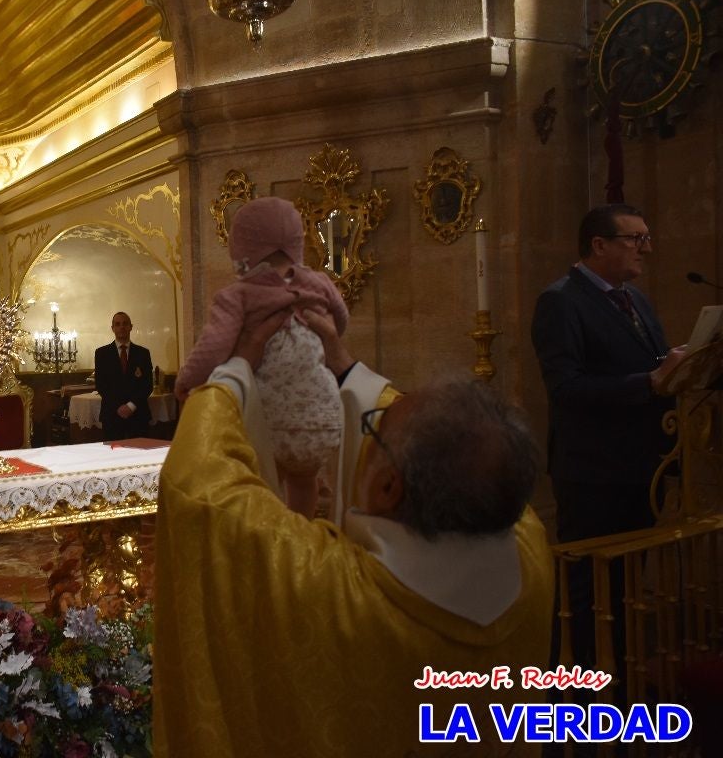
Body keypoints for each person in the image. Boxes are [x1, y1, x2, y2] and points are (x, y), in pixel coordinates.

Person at [154, 308, 554, 756]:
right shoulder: (528, 547)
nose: (373, 424)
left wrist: (232, 373)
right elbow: (461, 444)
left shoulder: (327, 587)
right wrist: (347, 370)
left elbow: (201, 486)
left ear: (388, 487)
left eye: (374, 429)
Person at [531, 203, 687, 671]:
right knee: (586, 595)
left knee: (622, 593)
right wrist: (650, 383)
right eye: (635, 239)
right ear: (599, 245)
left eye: (646, 237)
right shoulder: (561, 300)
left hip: (640, 466)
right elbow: (567, 389)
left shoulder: (635, 299)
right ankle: (568, 705)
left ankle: (616, 688)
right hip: (594, 473)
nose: (647, 248)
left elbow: (655, 368)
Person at [174, 196, 348, 518]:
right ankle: (303, 532)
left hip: (268, 419)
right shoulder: (320, 282)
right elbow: (340, 320)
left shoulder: (237, 295)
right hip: (322, 416)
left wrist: (187, 380)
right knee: (303, 482)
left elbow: (213, 347)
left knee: (266, 486)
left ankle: (275, 544)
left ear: (243, 246)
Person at [93, 312, 153, 440]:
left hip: (138, 414)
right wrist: (118, 407)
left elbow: (147, 385)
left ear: (131, 327)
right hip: (112, 414)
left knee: (139, 456)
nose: (122, 327)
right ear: (112, 328)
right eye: (118, 324)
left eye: (125, 324)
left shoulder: (143, 353)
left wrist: (131, 406)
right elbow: (101, 385)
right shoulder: (101, 353)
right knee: (114, 457)